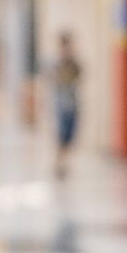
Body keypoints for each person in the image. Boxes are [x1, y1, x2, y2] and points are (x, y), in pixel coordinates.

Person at [52, 32, 84, 179]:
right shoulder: (57, 62)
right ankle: (60, 163)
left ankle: (64, 162)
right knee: (62, 134)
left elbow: (80, 75)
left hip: (72, 102)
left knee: (70, 135)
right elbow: (55, 79)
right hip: (61, 103)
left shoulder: (73, 62)